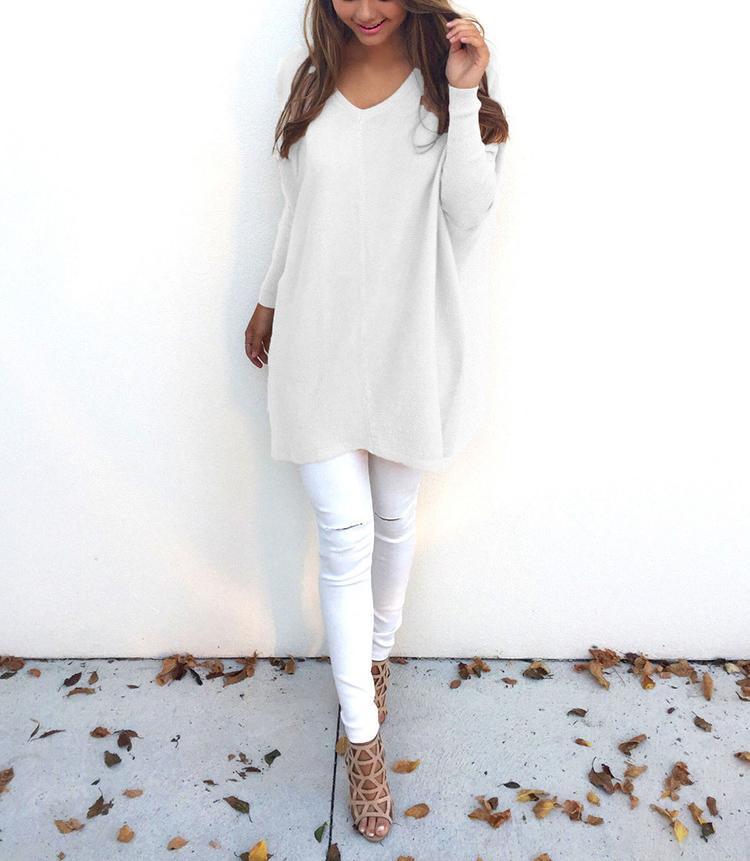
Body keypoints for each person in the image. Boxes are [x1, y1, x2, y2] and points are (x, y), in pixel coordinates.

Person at [244, 0, 508, 844]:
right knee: (344, 533)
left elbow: (468, 212)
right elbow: (296, 208)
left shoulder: (445, 85)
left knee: (394, 519)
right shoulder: (308, 81)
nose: (364, 10)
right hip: (315, 342)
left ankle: (376, 659)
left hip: (407, 345)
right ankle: (363, 740)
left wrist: (462, 95)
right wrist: (268, 298)